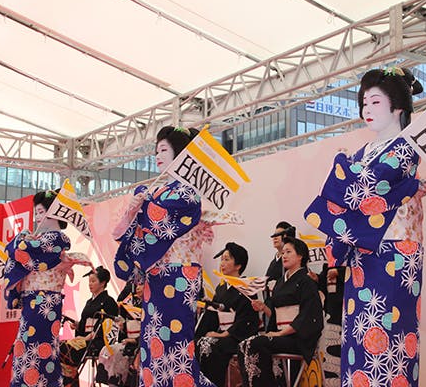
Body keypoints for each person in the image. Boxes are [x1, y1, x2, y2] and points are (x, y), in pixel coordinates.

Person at [303, 67, 426, 387]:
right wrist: (347, 170)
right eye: (364, 103)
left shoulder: (406, 146)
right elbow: (354, 191)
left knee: (391, 335)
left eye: (375, 102)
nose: (368, 109)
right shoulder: (363, 152)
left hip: (397, 252)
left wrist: (342, 167)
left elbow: (372, 185)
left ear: (398, 107)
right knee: (359, 334)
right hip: (363, 252)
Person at [114, 125, 240, 387]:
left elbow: (161, 220)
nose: (157, 156)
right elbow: (129, 229)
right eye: (156, 151)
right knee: (153, 342)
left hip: (180, 275)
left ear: (181, 154)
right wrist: (134, 209)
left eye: (163, 150)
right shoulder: (158, 192)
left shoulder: (187, 193)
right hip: (157, 276)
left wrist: (144, 206)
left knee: (175, 342)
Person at [4, 190, 92, 387]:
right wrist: (23, 240)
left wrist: (22, 239)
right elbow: (19, 251)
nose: (37, 217)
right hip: (34, 301)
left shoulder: (56, 239)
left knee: (37, 347)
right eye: (36, 212)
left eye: (41, 212)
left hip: (45, 302)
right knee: (30, 347)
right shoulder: (39, 239)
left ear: (54, 213)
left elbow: (20, 250)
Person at [238, 237, 323, 387]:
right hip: (282, 335)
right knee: (243, 344)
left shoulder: (306, 281)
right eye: (283, 253)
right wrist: (264, 308)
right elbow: (275, 316)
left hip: (297, 338)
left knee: (255, 343)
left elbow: (307, 316)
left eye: (288, 252)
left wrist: (280, 334)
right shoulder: (279, 283)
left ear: (300, 256)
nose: (284, 255)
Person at [195, 242, 260, 387]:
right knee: (198, 341)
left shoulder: (246, 287)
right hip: (222, 334)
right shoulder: (221, 288)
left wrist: (225, 334)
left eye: (227, 259)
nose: (222, 263)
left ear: (238, 265)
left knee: (210, 345)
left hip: (237, 336)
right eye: (221, 259)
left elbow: (247, 319)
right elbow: (213, 314)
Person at [60, 266, 119, 387]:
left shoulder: (109, 302)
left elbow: (107, 326)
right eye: (89, 281)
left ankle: (70, 384)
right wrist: (78, 326)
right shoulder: (89, 302)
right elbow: (84, 323)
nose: (90, 284)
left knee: (65, 348)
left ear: (102, 283)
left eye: (93, 281)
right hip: (86, 339)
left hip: (98, 341)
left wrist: (87, 338)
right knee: (60, 347)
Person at [96, 283, 144, 387]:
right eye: (137, 285)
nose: (138, 288)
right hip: (129, 338)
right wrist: (122, 326)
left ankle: (117, 381)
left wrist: (135, 340)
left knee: (120, 353)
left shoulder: (150, 305)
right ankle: (110, 382)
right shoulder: (130, 298)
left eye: (141, 284)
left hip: (141, 342)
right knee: (107, 350)